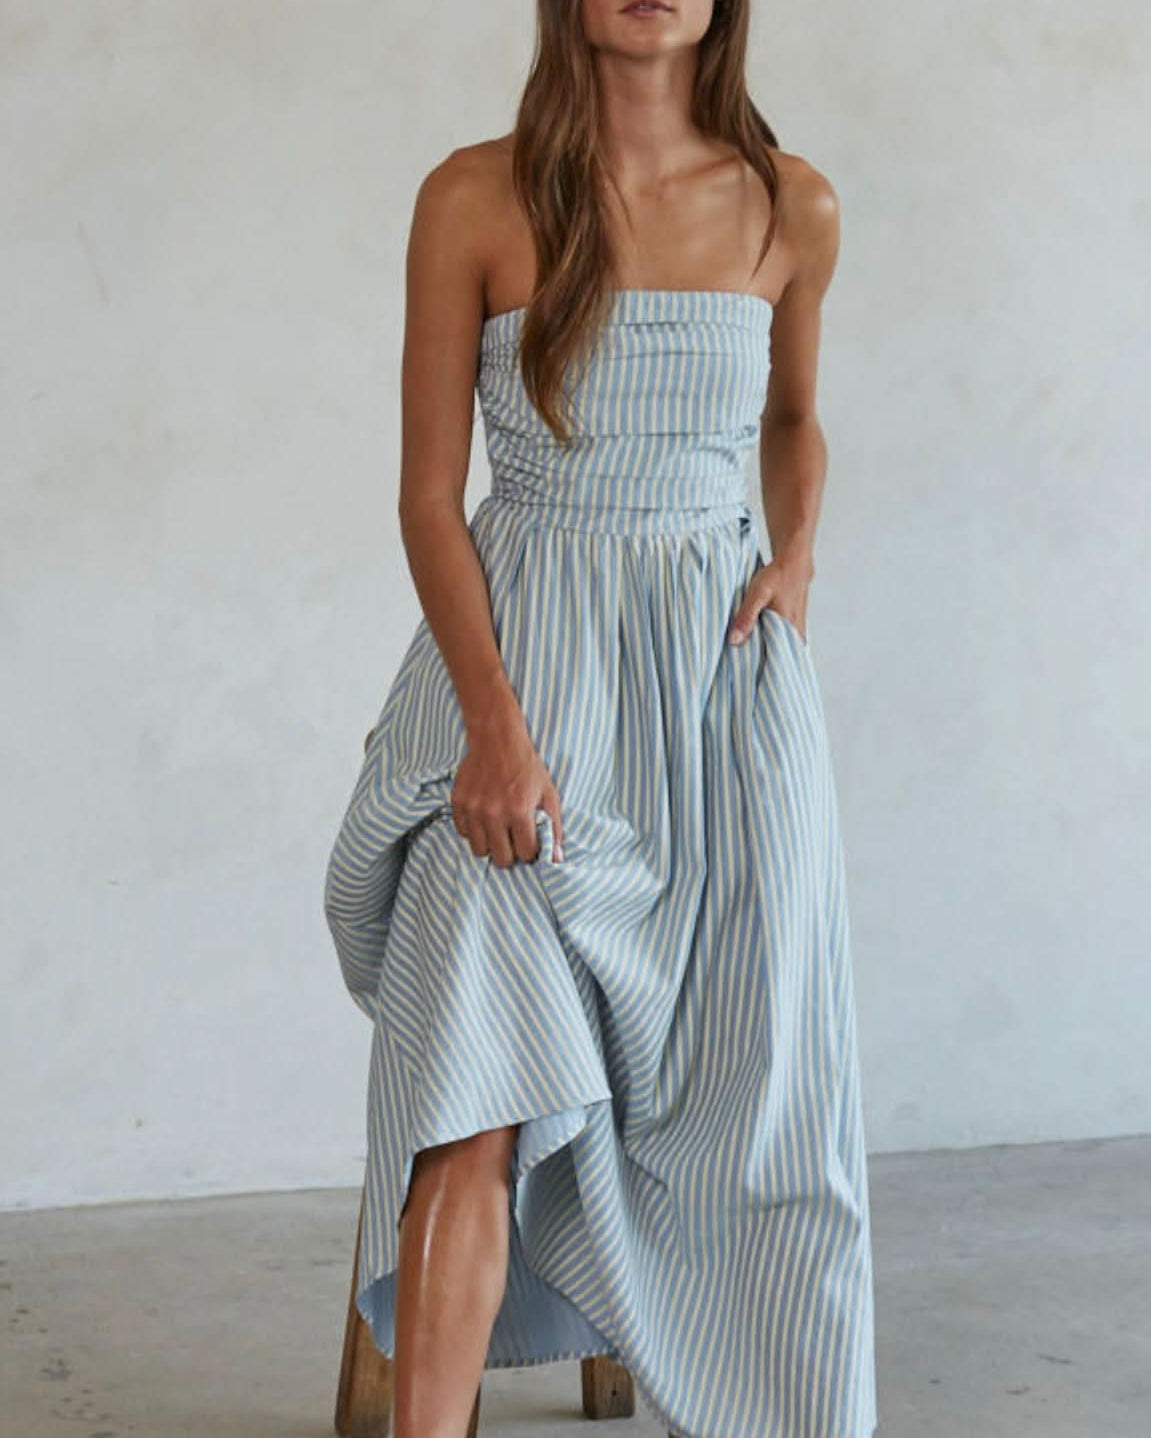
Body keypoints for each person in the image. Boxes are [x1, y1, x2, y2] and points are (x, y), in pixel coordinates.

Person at [324, 2, 878, 1434]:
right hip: (517, 703)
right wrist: (493, 731)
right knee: (471, 1071)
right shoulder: (475, 197)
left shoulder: (789, 204)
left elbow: (796, 416)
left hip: (712, 710)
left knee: (771, 1111)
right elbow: (426, 499)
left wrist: (796, 552)